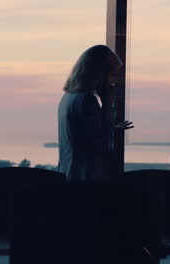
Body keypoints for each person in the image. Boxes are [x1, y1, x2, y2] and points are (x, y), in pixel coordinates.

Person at [57, 45, 134, 181]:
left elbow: (85, 134)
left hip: (70, 172)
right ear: (101, 73)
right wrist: (108, 105)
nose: (114, 81)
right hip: (86, 178)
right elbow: (101, 146)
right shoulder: (87, 100)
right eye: (113, 73)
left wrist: (111, 128)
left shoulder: (69, 97)